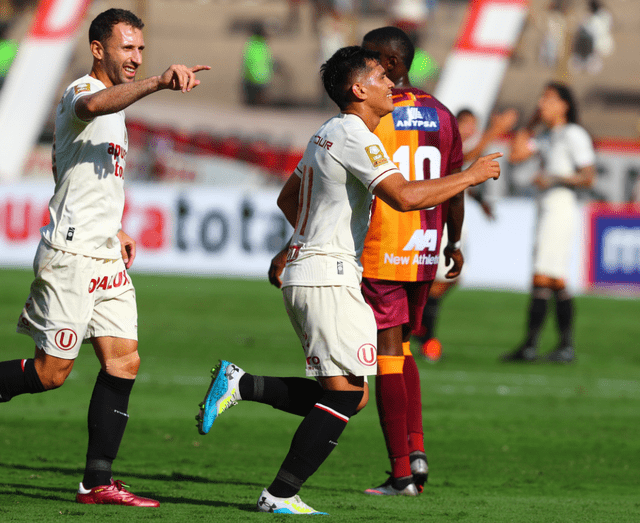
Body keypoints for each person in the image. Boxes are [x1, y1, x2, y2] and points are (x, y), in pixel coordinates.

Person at [195, 46, 500, 515]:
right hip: (327, 278)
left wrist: (306, 241)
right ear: (358, 89)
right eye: (380, 76)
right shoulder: (356, 134)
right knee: (348, 394)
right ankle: (279, 494)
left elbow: (287, 197)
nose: (391, 83)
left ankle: (241, 385)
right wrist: (470, 176)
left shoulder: (328, 132)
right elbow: (404, 196)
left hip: (313, 270)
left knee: (348, 397)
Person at [0, 8, 209, 506]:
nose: (136, 58)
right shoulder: (80, 93)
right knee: (51, 375)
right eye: (127, 49)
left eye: (141, 50)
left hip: (104, 254)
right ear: (99, 50)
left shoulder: (117, 108)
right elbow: (92, 105)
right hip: (70, 254)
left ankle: (98, 483)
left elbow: (76, 173)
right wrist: (159, 81)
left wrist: (115, 228)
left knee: (124, 361)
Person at [355, 26, 461, 496]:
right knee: (403, 352)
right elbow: (454, 185)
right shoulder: (441, 114)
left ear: (393, 65)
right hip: (423, 251)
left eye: (371, 58)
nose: (365, 65)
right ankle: (414, 453)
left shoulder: (371, 112)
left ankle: (401, 473)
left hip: (380, 249)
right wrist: (452, 242)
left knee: (386, 360)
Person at [501, 82, 596, 363]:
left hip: (561, 208)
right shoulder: (547, 135)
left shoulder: (573, 134)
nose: (543, 102)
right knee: (553, 279)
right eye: (541, 98)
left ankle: (533, 345)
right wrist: (530, 123)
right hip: (546, 208)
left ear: (564, 105)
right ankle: (561, 346)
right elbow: (517, 154)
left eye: (549, 99)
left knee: (544, 276)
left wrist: (553, 178)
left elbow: (588, 176)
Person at [415, 108, 518, 361]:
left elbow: (460, 178)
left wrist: (481, 201)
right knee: (441, 276)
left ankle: (419, 326)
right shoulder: (446, 143)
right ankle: (427, 338)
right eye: (467, 125)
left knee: (449, 277)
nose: (471, 131)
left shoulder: (451, 148)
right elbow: (466, 161)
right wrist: (495, 132)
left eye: (475, 126)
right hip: (435, 217)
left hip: (451, 215)